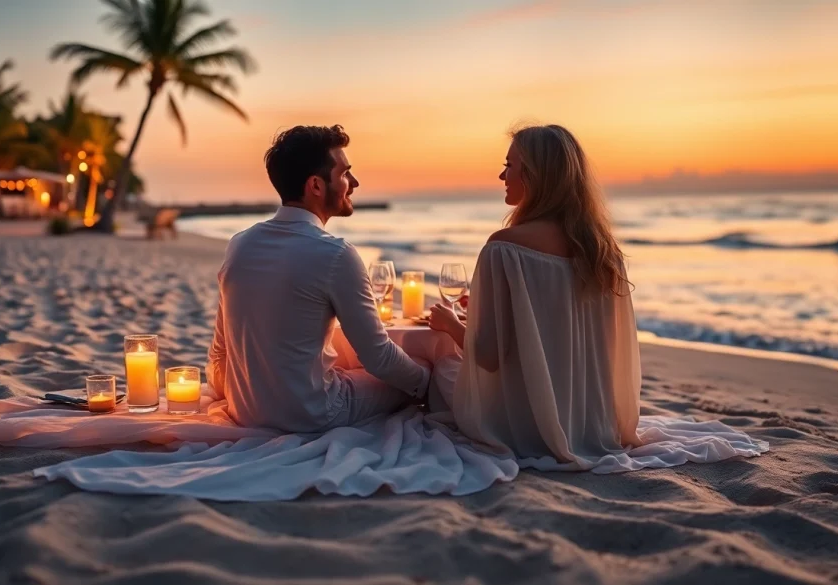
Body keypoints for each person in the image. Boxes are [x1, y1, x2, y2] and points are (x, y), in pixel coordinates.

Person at [427, 124, 642, 466]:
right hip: (593, 424)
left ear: (534, 175)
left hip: (522, 427)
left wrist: (451, 324)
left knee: (440, 363)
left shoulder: (504, 248)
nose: (502, 175)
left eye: (509, 165)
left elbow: (489, 357)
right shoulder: (603, 253)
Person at [207, 125, 431, 433]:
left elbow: (220, 352)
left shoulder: (239, 244)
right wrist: (426, 382)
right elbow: (378, 356)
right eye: (344, 175)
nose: (354, 183)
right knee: (416, 373)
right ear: (315, 185)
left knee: (341, 361)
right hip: (314, 413)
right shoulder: (335, 254)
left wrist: (243, 398)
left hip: (245, 410)